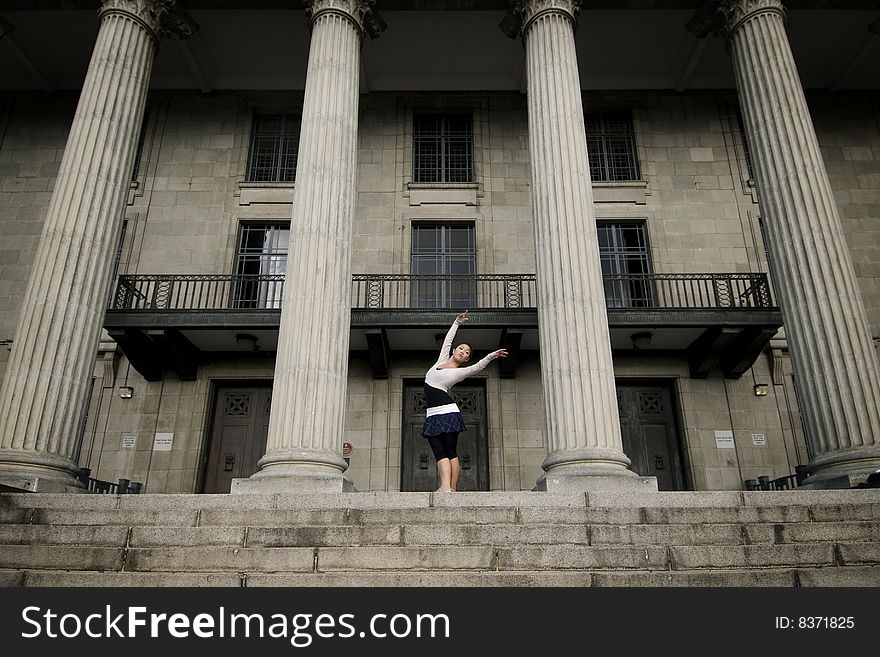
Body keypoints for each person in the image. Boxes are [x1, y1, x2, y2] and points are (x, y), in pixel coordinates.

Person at [421, 310, 507, 492]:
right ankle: (449, 488)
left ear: (466, 358)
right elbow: (448, 340)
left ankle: (446, 486)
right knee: (443, 451)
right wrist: (457, 323)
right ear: (454, 351)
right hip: (434, 413)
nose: (463, 351)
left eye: (466, 352)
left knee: (445, 451)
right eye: (461, 348)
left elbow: (477, 367)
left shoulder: (460, 372)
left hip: (446, 412)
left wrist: (491, 356)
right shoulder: (442, 359)